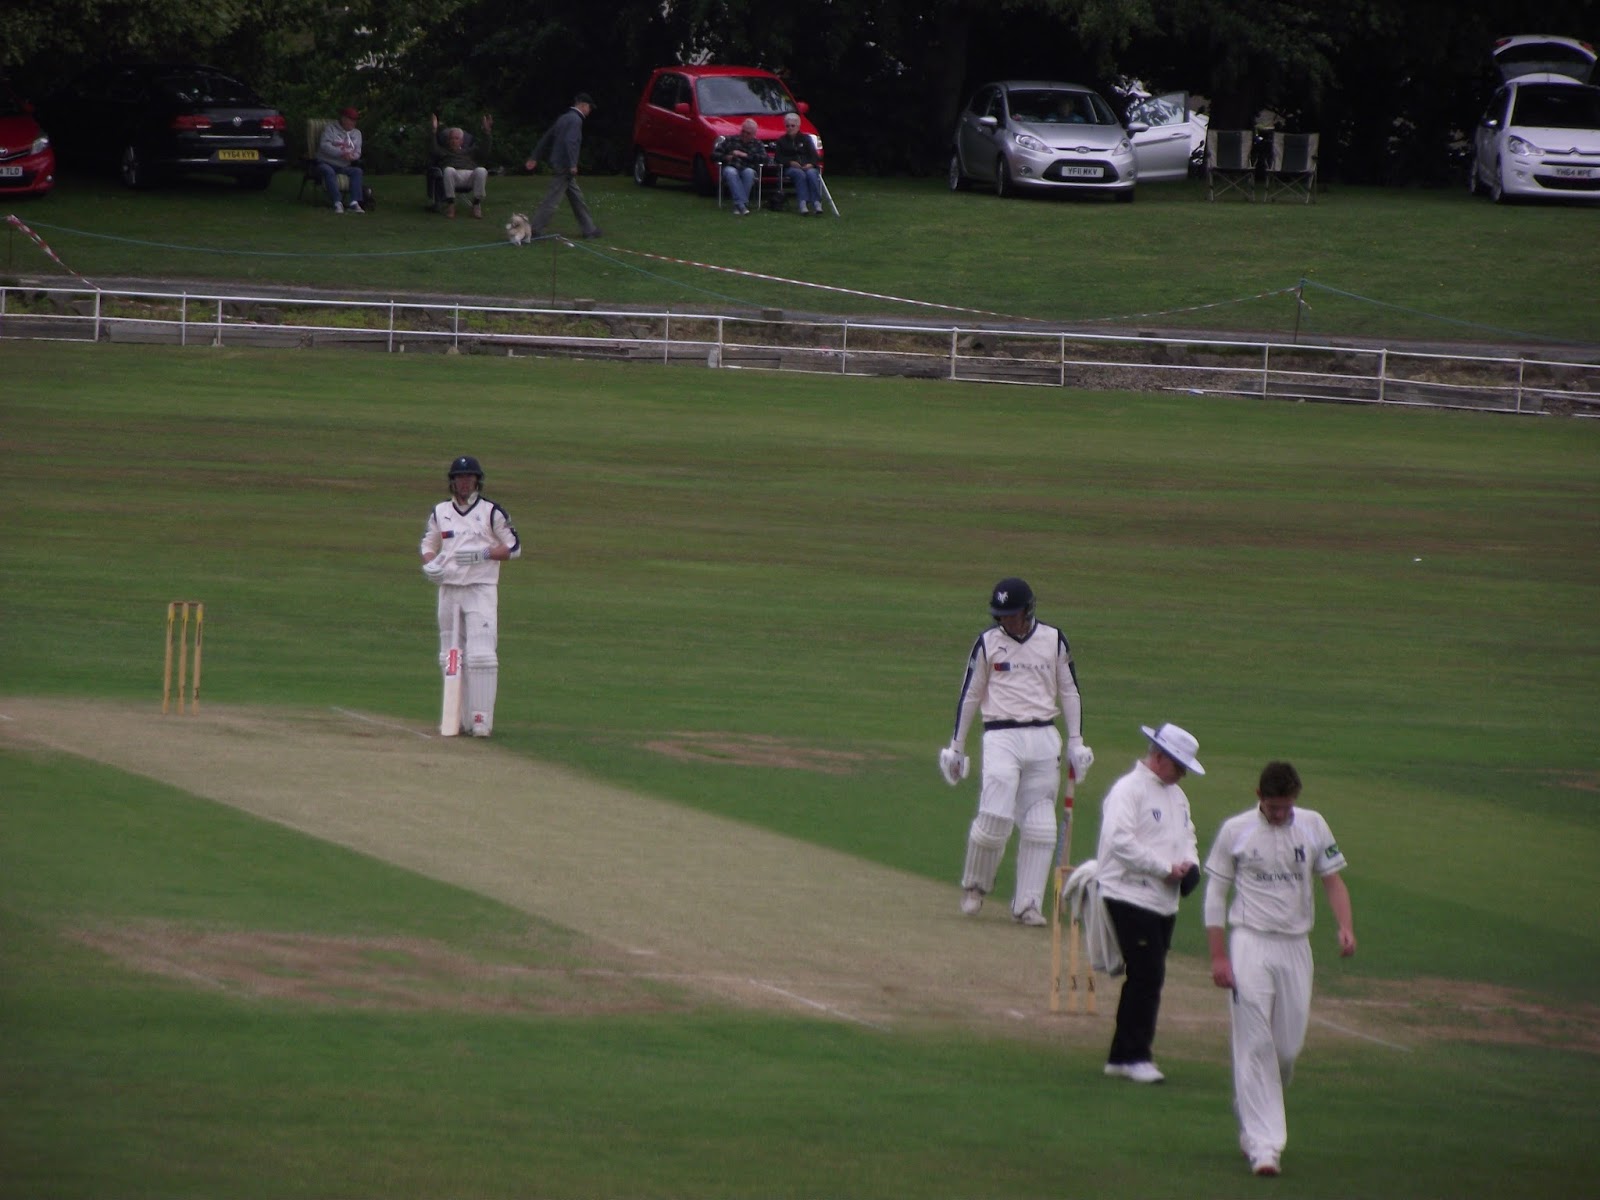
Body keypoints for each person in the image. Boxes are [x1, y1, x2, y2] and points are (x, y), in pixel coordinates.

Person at [1203, 761, 1355, 1178]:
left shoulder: (1312, 825)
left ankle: (1248, 1105)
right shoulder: (1236, 831)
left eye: (1286, 807)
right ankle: (1264, 1146)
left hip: (1295, 947)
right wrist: (1218, 957)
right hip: (1250, 942)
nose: (1280, 814)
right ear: (1259, 796)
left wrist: (1345, 926)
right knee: (1255, 1045)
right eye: (1273, 807)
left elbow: (1333, 881)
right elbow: (1215, 895)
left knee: (1285, 1051)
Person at [940, 577, 1094, 926]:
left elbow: (1070, 692)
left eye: (1012, 614)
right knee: (995, 813)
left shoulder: (1053, 640)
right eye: (1001, 615)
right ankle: (976, 886)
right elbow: (970, 694)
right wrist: (957, 746)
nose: (1006, 621)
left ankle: (1027, 904)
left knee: (1041, 826)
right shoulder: (987, 643)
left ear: (1027, 610)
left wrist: (1076, 742)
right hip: (1001, 735)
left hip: (1043, 737)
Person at [1095, 722, 1203, 1084]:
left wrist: (1190, 867)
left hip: (1163, 901)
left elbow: (1187, 836)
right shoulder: (1129, 790)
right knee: (1147, 973)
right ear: (1158, 757)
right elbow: (1119, 842)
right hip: (1127, 893)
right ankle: (1135, 1056)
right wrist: (1164, 868)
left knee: (1147, 976)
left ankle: (1121, 1056)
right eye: (1179, 765)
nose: (1184, 773)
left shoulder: (1177, 797)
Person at [419, 456, 521, 736]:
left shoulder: (491, 512)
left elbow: (514, 548)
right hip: (449, 589)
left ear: (477, 480)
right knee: (449, 656)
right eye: (460, 478)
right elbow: (429, 543)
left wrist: (484, 553)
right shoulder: (440, 511)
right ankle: (456, 718)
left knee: (482, 657)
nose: (465, 483)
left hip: (480, 589)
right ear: (453, 481)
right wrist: (430, 565)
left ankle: (481, 721)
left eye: (470, 478)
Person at [525, 93, 602, 240]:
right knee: (552, 200)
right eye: (590, 108)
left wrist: (534, 156)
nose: (589, 111)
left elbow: (547, 137)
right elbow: (570, 142)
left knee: (577, 198)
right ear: (583, 105)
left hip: (559, 163)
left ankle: (589, 229)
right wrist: (573, 163)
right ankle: (535, 230)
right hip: (565, 166)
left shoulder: (564, 117)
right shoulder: (575, 120)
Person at [431, 113, 493, 218]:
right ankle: (451, 205)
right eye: (451, 138)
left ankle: (476, 205)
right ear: (448, 140)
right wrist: (433, 131)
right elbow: (432, 149)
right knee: (448, 170)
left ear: (462, 141)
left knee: (481, 170)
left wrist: (487, 132)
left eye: (456, 138)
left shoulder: (469, 151)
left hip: (469, 176)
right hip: (453, 176)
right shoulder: (443, 152)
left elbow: (484, 151)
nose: (453, 141)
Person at [317, 107, 364, 213]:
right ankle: (337, 202)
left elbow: (358, 151)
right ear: (343, 119)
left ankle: (354, 202)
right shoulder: (331, 129)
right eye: (351, 120)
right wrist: (341, 153)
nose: (353, 122)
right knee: (328, 171)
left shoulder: (357, 133)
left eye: (355, 120)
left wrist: (353, 157)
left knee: (357, 171)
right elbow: (324, 145)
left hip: (343, 165)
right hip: (327, 162)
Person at [774, 113, 822, 215]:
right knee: (799, 174)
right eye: (787, 126)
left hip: (807, 166)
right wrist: (790, 162)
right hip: (791, 168)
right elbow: (778, 158)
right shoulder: (781, 141)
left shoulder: (806, 139)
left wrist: (811, 164)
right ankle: (802, 203)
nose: (790, 128)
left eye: (792, 126)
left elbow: (815, 156)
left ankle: (816, 203)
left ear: (798, 126)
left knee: (812, 173)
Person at [718, 119, 764, 216]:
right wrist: (726, 157)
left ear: (753, 134)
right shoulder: (730, 140)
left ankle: (738, 205)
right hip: (731, 166)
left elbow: (765, 159)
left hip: (748, 167)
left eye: (748, 133)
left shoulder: (758, 144)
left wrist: (745, 155)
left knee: (749, 173)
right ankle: (742, 205)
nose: (744, 134)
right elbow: (714, 155)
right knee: (731, 172)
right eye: (743, 131)